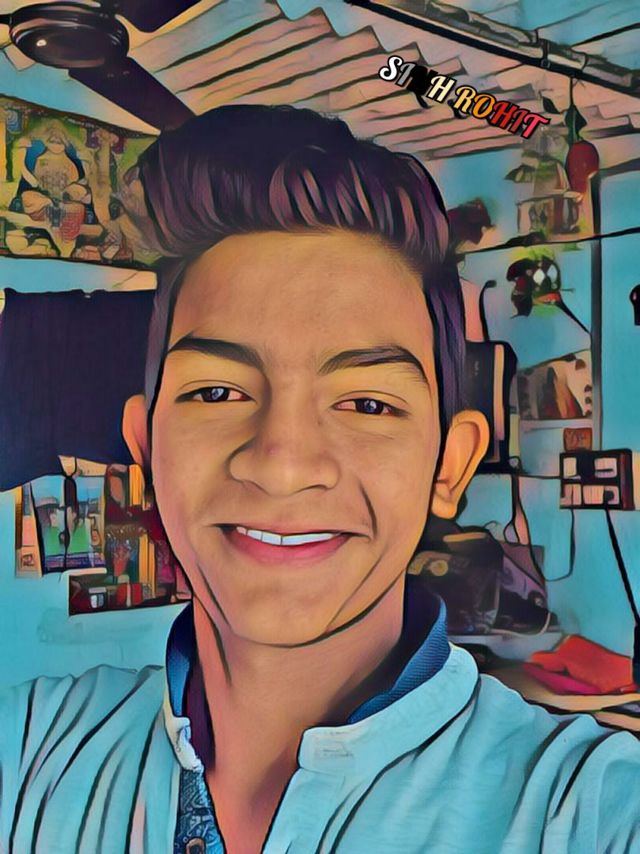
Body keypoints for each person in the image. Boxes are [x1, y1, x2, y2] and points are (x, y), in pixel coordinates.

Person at [2, 104, 639, 854]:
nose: (283, 463)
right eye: (217, 392)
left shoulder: (587, 813)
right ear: (146, 448)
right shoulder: (31, 749)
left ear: (450, 465)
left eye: (367, 403)